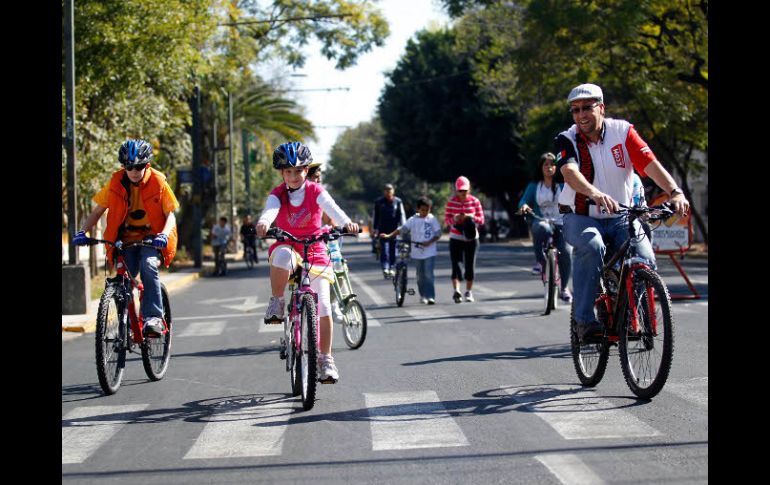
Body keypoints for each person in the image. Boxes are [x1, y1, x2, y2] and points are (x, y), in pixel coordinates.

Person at [555, 83, 689, 341]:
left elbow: (649, 164)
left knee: (644, 257)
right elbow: (569, 173)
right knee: (592, 246)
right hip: (582, 216)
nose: (581, 115)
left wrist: (675, 192)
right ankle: (584, 321)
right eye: (575, 110)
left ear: (601, 108)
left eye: (587, 108)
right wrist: (594, 193)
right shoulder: (567, 138)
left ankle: (629, 314)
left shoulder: (623, 132)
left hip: (621, 217)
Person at [256, 142, 359, 383]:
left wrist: (347, 224)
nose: (294, 176)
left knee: (323, 305)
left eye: (299, 171)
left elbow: (333, 210)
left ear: (306, 170)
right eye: (288, 171)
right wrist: (263, 223)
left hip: (315, 247)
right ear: (282, 173)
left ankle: (325, 359)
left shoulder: (315, 191)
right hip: (288, 245)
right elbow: (270, 210)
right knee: (280, 257)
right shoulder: (278, 193)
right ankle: (278, 301)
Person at [73, 139, 179, 335]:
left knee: (148, 266)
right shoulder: (115, 182)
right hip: (125, 239)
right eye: (129, 167)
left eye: (139, 166)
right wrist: (82, 232)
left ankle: (153, 317)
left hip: (152, 238)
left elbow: (170, 215)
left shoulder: (158, 181)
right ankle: (127, 321)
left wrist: (163, 235)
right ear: (124, 166)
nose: (134, 171)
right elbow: (97, 212)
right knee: (123, 280)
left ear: (147, 165)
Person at [516, 152, 573, 303]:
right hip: (542, 220)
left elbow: (574, 199)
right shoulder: (534, 186)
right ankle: (540, 262)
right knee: (541, 228)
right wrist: (524, 207)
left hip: (562, 223)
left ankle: (564, 287)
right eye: (545, 164)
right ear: (540, 168)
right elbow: (523, 201)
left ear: (557, 167)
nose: (549, 167)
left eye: (552, 164)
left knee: (566, 252)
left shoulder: (563, 184)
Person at [380, 196, 441, 304]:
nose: (425, 212)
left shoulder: (432, 219)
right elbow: (402, 229)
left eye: (427, 210)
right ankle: (423, 296)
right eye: (422, 210)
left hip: (430, 252)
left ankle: (430, 296)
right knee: (420, 276)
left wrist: (429, 242)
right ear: (418, 209)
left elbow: (438, 234)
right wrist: (389, 235)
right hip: (417, 253)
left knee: (428, 274)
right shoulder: (413, 220)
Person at [444, 176, 485, 303]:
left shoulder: (475, 201)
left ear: (469, 189)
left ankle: (468, 291)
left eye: (465, 190)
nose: (462, 193)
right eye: (460, 190)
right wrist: (455, 219)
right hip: (456, 236)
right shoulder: (451, 202)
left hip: (471, 238)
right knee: (455, 265)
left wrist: (470, 217)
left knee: (469, 266)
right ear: (456, 190)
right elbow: (446, 220)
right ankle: (457, 291)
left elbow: (482, 220)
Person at [372, 183, 406, 277]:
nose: (388, 191)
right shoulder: (379, 202)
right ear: (384, 191)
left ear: (393, 191)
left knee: (393, 251)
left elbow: (402, 215)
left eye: (390, 190)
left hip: (394, 231)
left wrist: (404, 228)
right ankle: (385, 268)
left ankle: (392, 267)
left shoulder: (398, 201)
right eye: (386, 190)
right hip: (383, 230)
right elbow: (375, 216)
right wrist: (374, 229)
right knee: (384, 251)